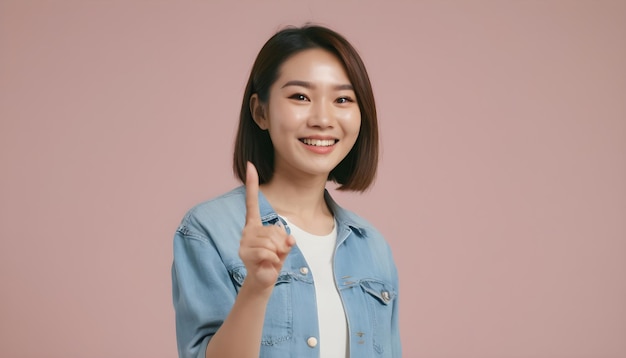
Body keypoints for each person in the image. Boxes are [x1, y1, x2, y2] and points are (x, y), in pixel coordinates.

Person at [172, 24, 401, 358]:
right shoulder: (209, 229)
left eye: (342, 99)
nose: (323, 119)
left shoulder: (373, 247)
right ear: (260, 111)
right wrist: (257, 287)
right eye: (300, 97)